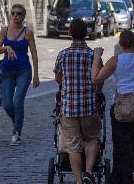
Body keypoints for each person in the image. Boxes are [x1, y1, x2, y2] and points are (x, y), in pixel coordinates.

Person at [94, 29, 134, 184]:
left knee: (122, 146)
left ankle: (125, 178)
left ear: (120, 44)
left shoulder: (115, 61)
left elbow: (96, 79)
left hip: (121, 107)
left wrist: (97, 57)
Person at [53, 18, 103, 184]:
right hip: (89, 107)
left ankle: (79, 181)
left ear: (69, 34)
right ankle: (88, 171)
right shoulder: (92, 56)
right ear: (86, 34)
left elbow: (58, 79)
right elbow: (99, 81)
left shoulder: (63, 55)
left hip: (69, 108)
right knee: (93, 138)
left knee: (73, 145)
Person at [0, 3, 40, 145]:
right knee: (7, 104)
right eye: (13, 13)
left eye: (19, 13)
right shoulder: (4, 30)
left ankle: (16, 133)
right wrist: (6, 48)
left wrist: (36, 75)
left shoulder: (27, 33)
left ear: (23, 17)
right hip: (7, 71)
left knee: (17, 101)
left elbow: (34, 54)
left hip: (23, 71)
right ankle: (17, 123)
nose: (16, 15)